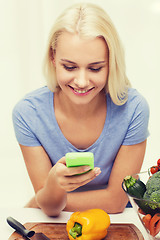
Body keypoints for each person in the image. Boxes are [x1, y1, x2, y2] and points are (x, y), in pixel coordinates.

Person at [12, 2, 149, 217]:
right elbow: (50, 207)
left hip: (118, 222)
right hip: (57, 224)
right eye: (69, 67)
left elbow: (115, 202)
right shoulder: (28, 114)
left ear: (111, 63)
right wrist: (48, 195)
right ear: (53, 58)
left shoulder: (133, 109)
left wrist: (43, 199)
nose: (82, 81)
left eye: (95, 68)